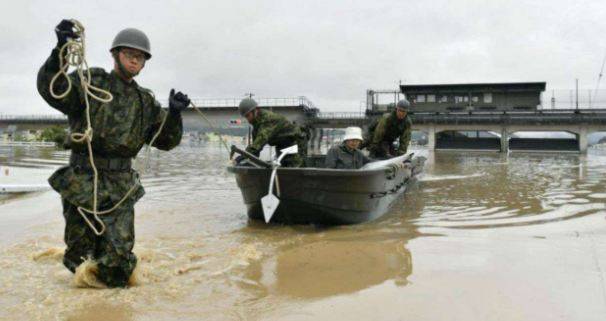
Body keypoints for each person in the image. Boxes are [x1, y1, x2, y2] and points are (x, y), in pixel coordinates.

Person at [37, 20, 191, 288]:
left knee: (118, 263)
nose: (135, 60)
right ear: (115, 54)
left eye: (140, 57)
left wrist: (175, 114)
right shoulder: (92, 81)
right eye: (130, 54)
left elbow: (166, 141)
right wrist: (61, 48)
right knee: (80, 258)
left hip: (121, 187)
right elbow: (55, 91)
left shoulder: (145, 101)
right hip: (83, 181)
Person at [235, 98, 306, 167]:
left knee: (293, 171)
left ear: (255, 110)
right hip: (281, 145)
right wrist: (247, 161)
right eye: (245, 117)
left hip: (295, 143)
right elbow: (255, 149)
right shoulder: (256, 125)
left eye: (248, 115)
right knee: (281, 170)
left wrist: (242, 156)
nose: (247, 119)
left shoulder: (268, 119)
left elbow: (260, 141)